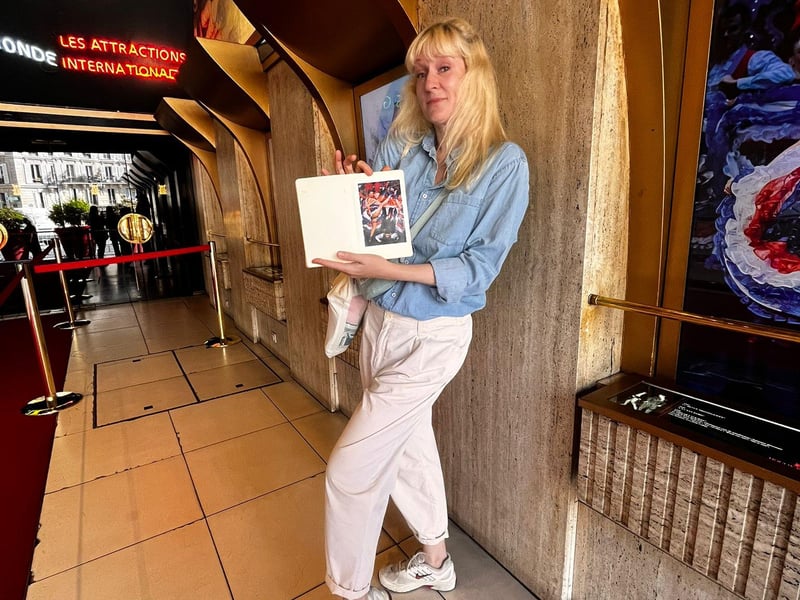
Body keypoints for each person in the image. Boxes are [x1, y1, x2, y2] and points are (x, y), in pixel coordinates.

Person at [312, 17, 529, 600]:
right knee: (408, 444)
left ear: (472, 75)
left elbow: (479, 270)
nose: (430, 82)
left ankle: (349, 591)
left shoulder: (505, 164)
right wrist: (352, 192)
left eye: (444, 68)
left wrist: (388, 269)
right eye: (421, 71)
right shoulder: (404, 146)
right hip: (379, 322)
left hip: (434, 337)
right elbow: (379, 233)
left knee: (350, 473)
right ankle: (437, 560)